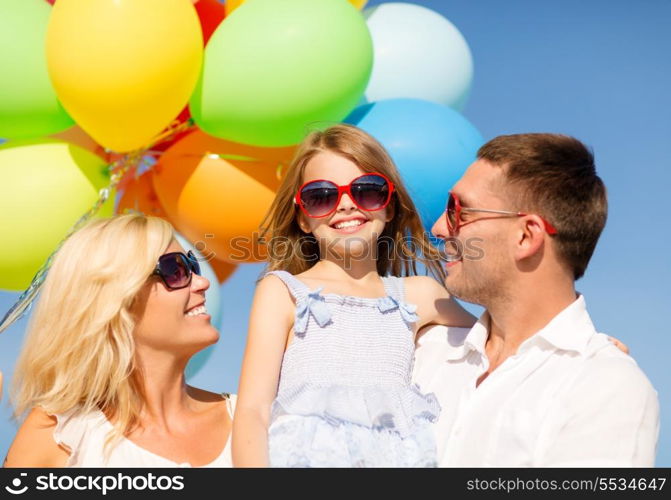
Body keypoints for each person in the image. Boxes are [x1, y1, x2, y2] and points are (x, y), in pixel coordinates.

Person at [232, 124, 475, 467]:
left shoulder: (420, 295)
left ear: (389, 208)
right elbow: (253, 411)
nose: (345, 205)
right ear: (302, 218)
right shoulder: (283, 291)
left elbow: (496, 346)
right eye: (321, 196)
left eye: (367, 191)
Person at [413, 133, 660, 466]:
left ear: (526, 236)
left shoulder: (606, 387)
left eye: (459, 210)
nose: (440, 227)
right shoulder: (421, 349)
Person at [4, 214, 235, 467]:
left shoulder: (254, 418)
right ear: (116, 300)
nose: (203, 283)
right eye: (176, 269)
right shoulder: (58, 435)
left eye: (193, 267)